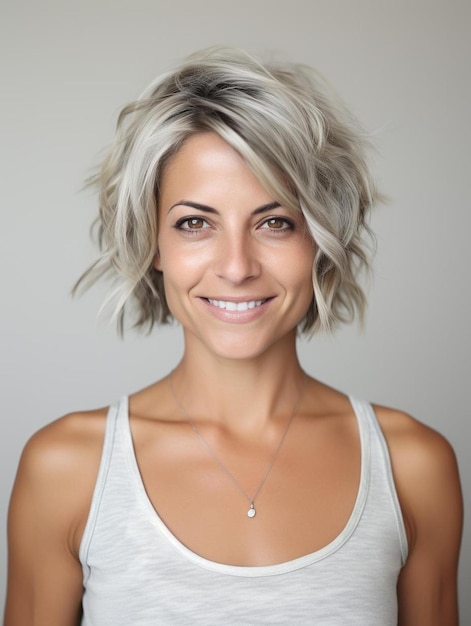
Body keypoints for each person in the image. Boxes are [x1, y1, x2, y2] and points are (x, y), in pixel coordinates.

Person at [4, 47, 463, 626]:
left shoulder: (414, 467)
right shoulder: (66, 468)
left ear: (320, 239)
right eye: (195, 223)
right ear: (153, 245)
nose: (238, 265)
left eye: (275, 222)